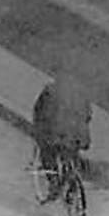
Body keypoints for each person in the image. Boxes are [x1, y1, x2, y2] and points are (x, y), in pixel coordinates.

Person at [32, 73, 92, 202]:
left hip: (59, 133)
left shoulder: (50, 91)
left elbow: (39, 111)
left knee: (47, 151)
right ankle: (72, 178)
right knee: (71, 152)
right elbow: (88, 114)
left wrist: (38, 129)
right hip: (79, 134)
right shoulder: (81, 93)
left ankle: (54, 183)